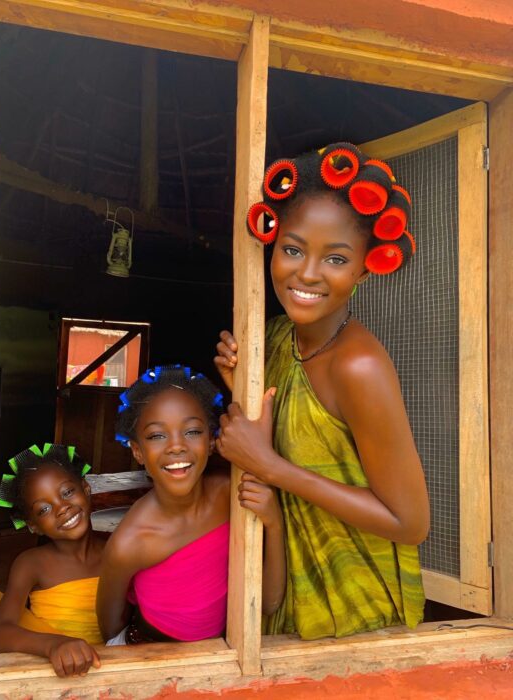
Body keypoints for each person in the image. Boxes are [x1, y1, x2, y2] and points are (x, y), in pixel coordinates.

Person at [214, 145, 430, 640]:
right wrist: (241, 383)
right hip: (288, 601)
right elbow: (274, 427)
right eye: (292, 249)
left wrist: (271, 467)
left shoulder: (359, 366)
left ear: (363, 270)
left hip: (358, 614)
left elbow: (409, 522)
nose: (307, 273)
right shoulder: (273, 337)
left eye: (335, 258)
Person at [96, 365, 285, 645]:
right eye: (157, 435)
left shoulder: (232, 494)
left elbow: (268, 604)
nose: (176, 446)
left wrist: (274, 522)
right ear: (138, 451)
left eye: (193, 431)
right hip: (151, 657)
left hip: (219, 657)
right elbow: (110, 631)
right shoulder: (129, 543)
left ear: (211, 441)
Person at [0, 443, 104, 677]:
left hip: (110, 670)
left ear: (86, 488)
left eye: (67, 492)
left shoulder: (118, 549)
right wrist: (53, 645)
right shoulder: (31, 564)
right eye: (43, 509)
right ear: (33, 526)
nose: (62, 508)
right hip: (54, 678)